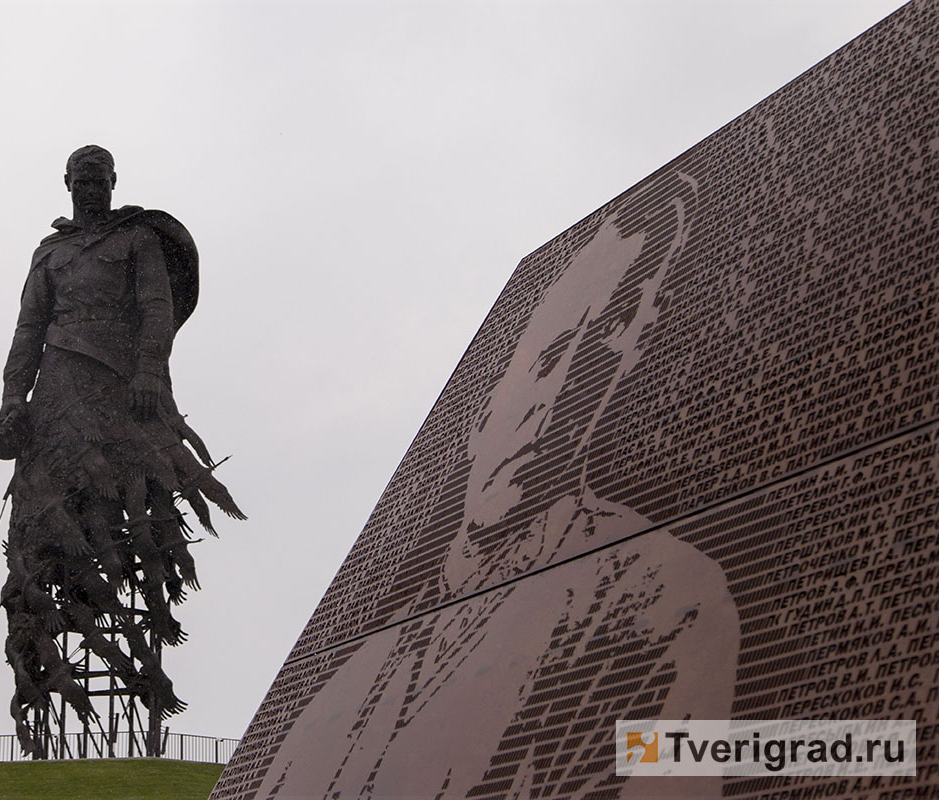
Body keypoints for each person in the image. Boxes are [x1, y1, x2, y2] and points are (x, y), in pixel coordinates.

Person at [262, 171, 738, 798]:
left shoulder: (662, 598)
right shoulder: (355, 679)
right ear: (479, 414)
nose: (559, 398)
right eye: (549, 357)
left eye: (603, 349)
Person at [0, 145, 243, 754]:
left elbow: (157, 307)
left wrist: (150, 373)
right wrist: (10, 404)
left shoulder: (138, 239)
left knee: (135, 522)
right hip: (56, 396)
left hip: (122, 389)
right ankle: (45, 712)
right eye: (80, 181)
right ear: (66, 184)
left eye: (98, 180)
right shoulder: (49, 254)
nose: (89, 189)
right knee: (47, 536)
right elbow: (28, 329)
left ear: (113, 182)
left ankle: (147, 699)